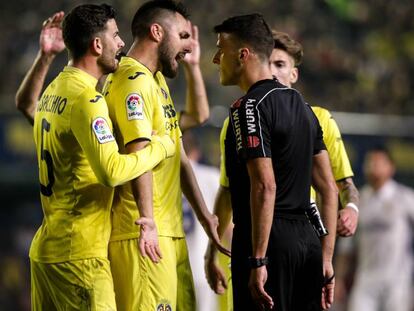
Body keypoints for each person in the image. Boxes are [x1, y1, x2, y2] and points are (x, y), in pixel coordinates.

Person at [16, 5, 175, 310]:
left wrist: (45, 56)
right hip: (81, 254)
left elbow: (26, 106)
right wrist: (161, 147)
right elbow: (112, 171)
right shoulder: (87, 100)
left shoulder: (54, 90)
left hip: (47, 252)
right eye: (115, 35)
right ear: (97, 44)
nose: (121, 43)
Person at [205, 14, 338, 311]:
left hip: (265, 241)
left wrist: (259, 258)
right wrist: (326, 259)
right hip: (308, 242)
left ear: (243, 55)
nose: (216, 59)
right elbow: (328, 188)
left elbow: (265, 185)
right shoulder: (303, 107)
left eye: (220, 50)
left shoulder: (247, 107)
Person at [102, 1, 229, 310]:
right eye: (182, 35)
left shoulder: (156, 81)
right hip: (144, 237)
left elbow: (179, 155)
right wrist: (147, 221)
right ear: (157, 31)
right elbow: (138, 154)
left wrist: (205, 217)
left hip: (170, 233)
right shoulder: (130, 82)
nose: (187, 45)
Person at [269, 30, 359, 237]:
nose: (272, 72)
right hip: (254, 240)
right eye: (267, 64)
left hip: (301, 239)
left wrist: (351, 210)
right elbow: (228, 192)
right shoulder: (238, 119)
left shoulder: (319, 119)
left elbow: (345, 185)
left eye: (280, 64)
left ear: (294, 74)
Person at [335, 146, 414, 311]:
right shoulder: (357, 202)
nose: (373, 166)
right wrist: (340, 279)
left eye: (378, 162)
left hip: (397, 281)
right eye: (369, 162)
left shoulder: (405, 198)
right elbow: (346, 248)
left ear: (391, 167)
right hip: (366, 280)